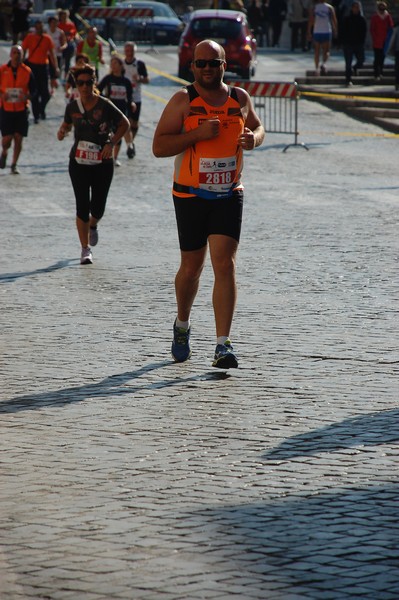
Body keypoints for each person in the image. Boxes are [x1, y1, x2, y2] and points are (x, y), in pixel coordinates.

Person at [152, 39, 265, 369]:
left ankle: (222, 344)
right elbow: (159, 147)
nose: (206, 68)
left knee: (225, 264)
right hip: (190, 195)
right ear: (192, 67)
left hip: (229, 193)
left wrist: (253, 139)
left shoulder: (239, 98)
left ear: (224, 66)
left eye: (213, 63)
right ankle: (182, 324)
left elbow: (258, 127)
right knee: (191, 268)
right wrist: (196, 135)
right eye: (200, 63)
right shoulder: (182, 101)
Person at [57, 65, 129, 265]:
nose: (85, 86)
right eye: (81, 83)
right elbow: (66, 124)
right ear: (76, 85)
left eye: (89, 82)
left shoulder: (105, 105)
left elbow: (124, 124)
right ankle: (85, 249)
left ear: (94, 82)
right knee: (82, 206)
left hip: (102, 163)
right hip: (78, 162)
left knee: (98, 208)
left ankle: (93, 225)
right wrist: (62, 132)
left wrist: (111, 143)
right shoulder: (72, 107)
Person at [0, 44, 36, 174]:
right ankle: (4, 152)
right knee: (7, 139)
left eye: (19, 53)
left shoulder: (27, 71)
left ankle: (14, 165)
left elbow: (34, 91)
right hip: (6, 109)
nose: (16, 55)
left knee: (18, 137)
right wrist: (2, 95)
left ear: (22, 56)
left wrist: (26, 96)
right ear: (10, 54)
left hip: (21, 109)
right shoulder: (3, 70)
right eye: (14, 52)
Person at [97, 54, 135, 166]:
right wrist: (104, 99)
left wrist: (132, 104)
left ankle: (115, 157)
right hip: (109, 110)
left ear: (121, 66)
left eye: (115, 63)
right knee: (109, 134)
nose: (113, 66)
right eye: (111, 64)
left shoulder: (126, 81)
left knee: (119, 133)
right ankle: (106, 155)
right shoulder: (108, 79)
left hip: (122, 110)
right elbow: (98, 90)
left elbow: (130, 96)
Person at [22, 18, 59, 123]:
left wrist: (55, 67)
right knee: (34, 92)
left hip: (43, 67)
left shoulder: (47, 39)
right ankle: (36, 115)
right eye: (37, 27)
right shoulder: (29, 37)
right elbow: (24, 51)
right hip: (32, 67)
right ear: (35, 27)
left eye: (40, 27)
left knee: (46, 94)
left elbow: (52, 54)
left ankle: (41, 109)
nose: (39, 29)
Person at [123, 41, 149, 159]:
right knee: (126, 122)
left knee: (134, 124)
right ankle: (129, 146)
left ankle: (131, 142)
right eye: (127, 50)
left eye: (131, 51)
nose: (129, 53)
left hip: (136, 96)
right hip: (123, 97)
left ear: (134, 51)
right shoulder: (121, 64)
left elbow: (147, 79)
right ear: (124, 51)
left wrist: (140, 78)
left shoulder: (139, 64)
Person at [307, 0, 337, 75]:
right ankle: (323, 64)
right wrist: (335, 30)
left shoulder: (314, 8)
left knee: (317, 51)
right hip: (326, 30)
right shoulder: (330, 8)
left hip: (317, 31)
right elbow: (334, 20)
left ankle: (317, 69)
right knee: (326, 51)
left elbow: (310, 20)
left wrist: (309, 31)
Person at [341, 0, 366, 86]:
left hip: (358, 44)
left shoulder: (362, 19)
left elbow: (364, 32)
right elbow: (343, 31)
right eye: (355, 7)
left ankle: (355, 68)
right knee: (348, 63)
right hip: (348, 44)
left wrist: (362, 42)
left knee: (361, 60)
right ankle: (348, 80)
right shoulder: (347, 19)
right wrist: (343, 42)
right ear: (352, 8)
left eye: (357, 7)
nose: (356, 9)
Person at [370, 1, 394, 81]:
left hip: (385, 41)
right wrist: (375, 38)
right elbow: (372, 29)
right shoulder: (375, 17)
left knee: (382, 58)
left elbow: (391, 27)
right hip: (377, 41)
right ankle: (376, 73)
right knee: (377, 58)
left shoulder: (387, 17)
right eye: (381, 6)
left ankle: (381, 72)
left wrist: (388, 38)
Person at [57, 9, 79, 80]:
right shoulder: (58, 25)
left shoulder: (70, 25)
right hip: (60, 44)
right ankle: (58, 75)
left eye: (65, 16)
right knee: (59, 61)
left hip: (69, 44)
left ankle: (65, 76)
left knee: (67, 61)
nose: (64, 18)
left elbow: (74, 33)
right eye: (62, 16)